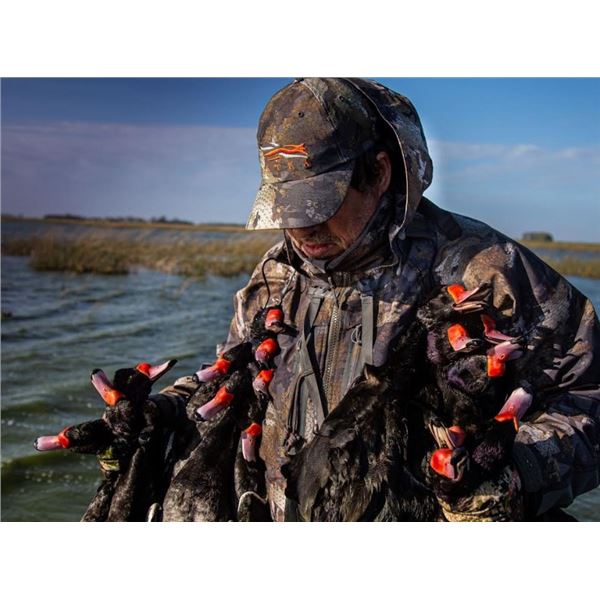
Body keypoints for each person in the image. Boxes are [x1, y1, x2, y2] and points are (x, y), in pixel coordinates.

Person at [92, 78, 600, 521]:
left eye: (320, 203)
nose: (302, 227)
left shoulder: (486, 272)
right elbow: (235, 377)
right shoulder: (275, 274)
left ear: (379, 173)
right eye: (288, 207)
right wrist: (158, 414)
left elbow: (589, 396)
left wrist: (512, 470)